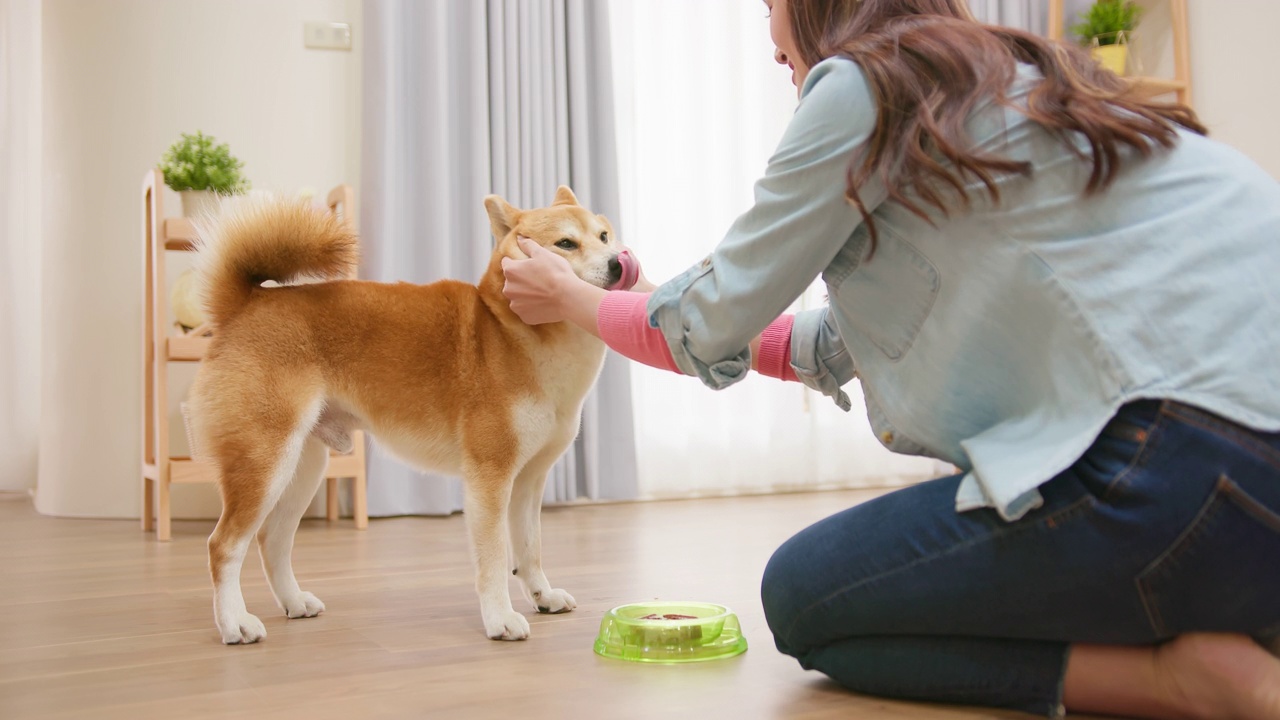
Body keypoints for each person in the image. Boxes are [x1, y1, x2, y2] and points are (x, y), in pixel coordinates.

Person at [499, 0, 1280, 717]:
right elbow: (817, 343)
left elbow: (704, 324)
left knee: (806, 599)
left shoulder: (858, 86)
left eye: (771, 7)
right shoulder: (1022, 75)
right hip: (1242, 474)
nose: (773, 42)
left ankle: (1182, 680)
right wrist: (636, 292)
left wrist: (572, 298)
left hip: (1182, 468)